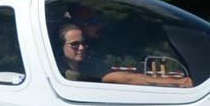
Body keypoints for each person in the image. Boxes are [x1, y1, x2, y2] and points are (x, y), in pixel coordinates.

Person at [55, 23, 192, 88]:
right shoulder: (60, 72)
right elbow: (126, 78)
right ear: (61, 47)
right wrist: (178, 82)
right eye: (74, 44)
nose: (81, 48)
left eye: (83, 43)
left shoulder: (88, 65)